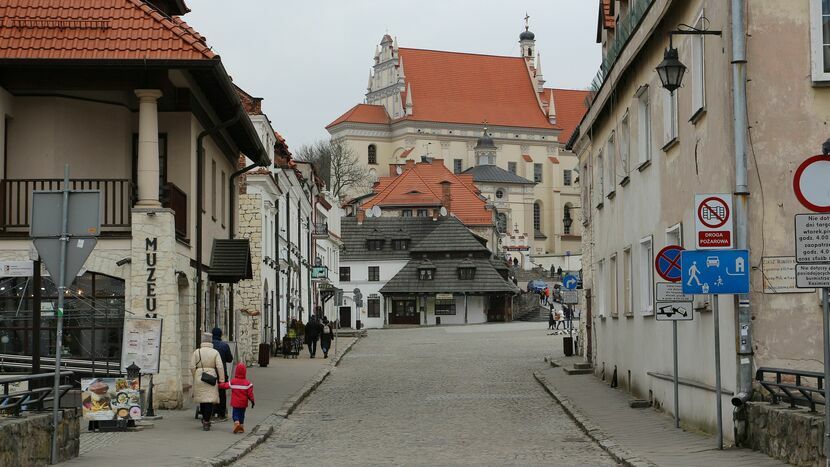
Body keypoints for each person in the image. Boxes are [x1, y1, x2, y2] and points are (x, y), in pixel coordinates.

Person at [191, 332, 225, 431]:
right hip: (211, 377)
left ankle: (204, 419)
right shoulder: (215, 352)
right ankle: (206, 421)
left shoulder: (197, 352)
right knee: (209, 400)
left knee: (202, 399)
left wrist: (196, 375)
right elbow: (219, 366)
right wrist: (221, 379)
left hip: (199, 375)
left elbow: (192, 366)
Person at [218, 362, 255, 434]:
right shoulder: (248, 383)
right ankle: (241, 426)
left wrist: (219, 385)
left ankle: (237, 423)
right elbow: (250, 394)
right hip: (243, 403)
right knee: (242, 415)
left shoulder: (233, 382)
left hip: (235, 403)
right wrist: (252, 401)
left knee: (235, 415)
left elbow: (225, 386)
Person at [212, 327, 233, 421]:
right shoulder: (224, 346)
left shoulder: (208, 346)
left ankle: (211, 411)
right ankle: (221, 413)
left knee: (210, 392)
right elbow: (229, 359)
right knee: (221, 393)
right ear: (221, 335)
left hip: (210, 373)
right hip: (221, 373)